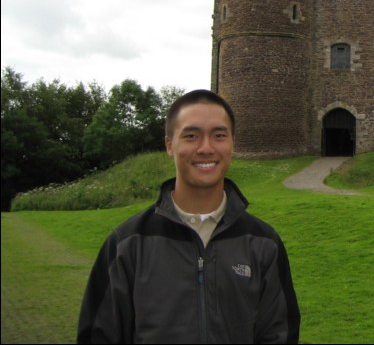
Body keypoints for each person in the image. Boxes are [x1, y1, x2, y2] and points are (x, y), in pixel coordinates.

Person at [77, 89, 301, 343]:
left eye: (218, 135)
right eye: (191, 136)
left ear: (232, 143)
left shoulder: (263, 244)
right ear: (170, 145)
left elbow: (280, 335)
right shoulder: (126, 245)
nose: (206, 148)